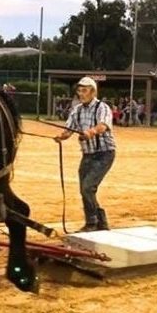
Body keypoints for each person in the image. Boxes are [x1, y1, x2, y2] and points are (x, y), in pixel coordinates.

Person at [54, 76, 115, 232]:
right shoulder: (77, 110)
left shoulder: (102, 107)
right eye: (79, 90)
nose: (81, 94)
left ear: (93, 92)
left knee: (87, 188)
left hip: (104, 153)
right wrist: (61, 136)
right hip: (88, 155)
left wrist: (91, 132)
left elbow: (103, 125)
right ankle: (100, 221)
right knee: (85, 189)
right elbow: (68, 129)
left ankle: (92, 223)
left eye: (84, 90)